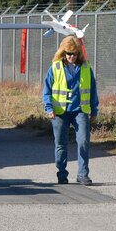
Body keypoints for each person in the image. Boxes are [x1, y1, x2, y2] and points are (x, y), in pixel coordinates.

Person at [42, 35, 99, 185]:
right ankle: (62, 173)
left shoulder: (86, 68)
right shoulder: (55, 68)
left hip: (80, 110)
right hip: (60, 112)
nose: (71, 57)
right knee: (61, 144)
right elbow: (47, 90)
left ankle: (83, 175)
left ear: (78, 53)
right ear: (63, 53)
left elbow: (92, 89)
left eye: (74, 54)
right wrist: (48, 108)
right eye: (68, 54)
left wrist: (94, 109)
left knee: (83, 141)